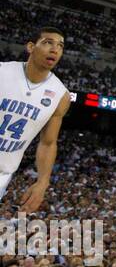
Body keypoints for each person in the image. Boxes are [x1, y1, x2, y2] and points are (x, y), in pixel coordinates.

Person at [0, 26, 71, 212]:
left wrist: (42, 182)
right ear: (31, 47)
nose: (55, 49)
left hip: (2, 173)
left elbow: (48, 143)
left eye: (60, 46)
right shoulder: (2, 72)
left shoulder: (60, 95)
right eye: (48, 43)